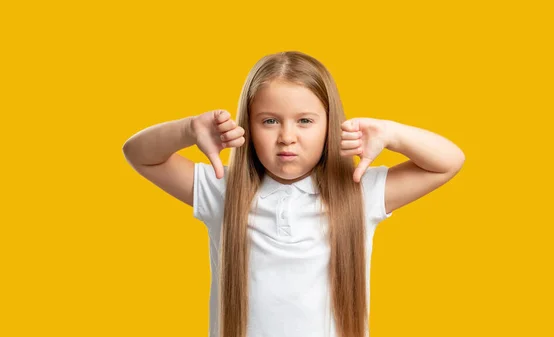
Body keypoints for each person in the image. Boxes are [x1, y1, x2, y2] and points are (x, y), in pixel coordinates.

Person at [122, 51, 465, 337]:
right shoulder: (222, 189)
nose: (287, 136)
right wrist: (187, 129)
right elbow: (138, 154)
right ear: (248, 126)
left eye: (305, 121)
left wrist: (393, 134)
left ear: (330, 125)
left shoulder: (359, 192)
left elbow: (448, 161)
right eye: (270, 121)